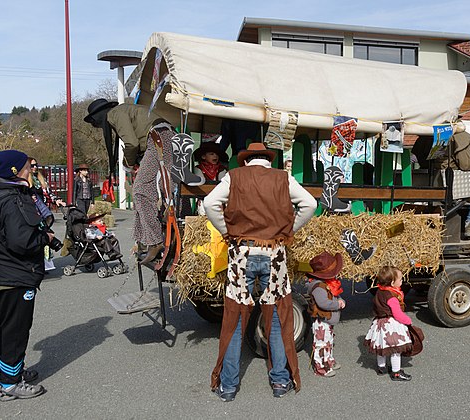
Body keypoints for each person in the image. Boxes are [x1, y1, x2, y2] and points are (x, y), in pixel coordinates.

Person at [205, 142, 316, 401]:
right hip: (274, 253)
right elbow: (309, 204)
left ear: (245, 161)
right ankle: (279, 382)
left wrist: (226, 232)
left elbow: (210, 204)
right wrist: (289, 230)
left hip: (241, 253)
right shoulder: (283, 178)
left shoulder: (233, 176)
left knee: (234, 320)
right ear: (267, 160)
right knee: (276, 319)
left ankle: (229, 386)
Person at [84, 99, 201, 263]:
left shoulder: (114, 114)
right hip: (166, 136)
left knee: (141, 190)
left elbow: (131, 143)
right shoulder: (126, 110)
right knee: (170, 187)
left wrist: (128, 163)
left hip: (159, 139)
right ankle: (181, 235)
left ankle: (154, 241)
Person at [0, 150, 55, 401]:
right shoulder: (12, 200)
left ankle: (13, 372)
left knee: (10, 327)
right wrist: (45, 238)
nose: (31, 170)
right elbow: (21, 241)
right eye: (27, 166)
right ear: (14, 171)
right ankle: (10, 385)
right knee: (15, 329)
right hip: (12, 276)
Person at [365, 266, 414, 381]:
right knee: (395, 349)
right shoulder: (392, 297)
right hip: (391, 325)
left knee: (382, 346)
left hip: (380, 323)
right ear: (392, 282)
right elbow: (397, 314)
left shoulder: (379, 291)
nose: (402, 281)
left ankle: (381, 368)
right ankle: (396, 372)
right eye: (400, 279)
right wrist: (408, 321)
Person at [306, 251, 346, 377]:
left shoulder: (328, 285)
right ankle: (321, 368)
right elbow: (323, 303)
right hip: (321, 321)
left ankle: (329, 361)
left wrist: (341, 300)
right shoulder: (319, 287)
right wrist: (337, 305)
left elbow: (336, 297)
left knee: (328, 342)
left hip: (327, 321)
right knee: (321, 344)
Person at [28, 158, 64, 271]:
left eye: (36, 165)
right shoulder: (26, 182)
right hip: (33, 213)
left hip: (43, 212)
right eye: (32, 165)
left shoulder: (40, 180)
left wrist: (56, 200)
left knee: (45, 237)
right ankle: (36, 265)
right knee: (38, 238)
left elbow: (49, 193)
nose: (35, 167)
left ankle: (45, 264)